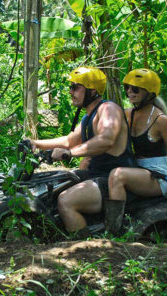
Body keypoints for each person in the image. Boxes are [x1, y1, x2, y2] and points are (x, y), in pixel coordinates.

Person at [30, 66, 136, 237]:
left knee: (65, 202)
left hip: (111, 180)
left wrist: (70, 153)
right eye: (70, 87)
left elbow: (106, 139)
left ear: (92, 90)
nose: (71, 91)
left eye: (75, 87)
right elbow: (68, 141)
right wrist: (35, 143)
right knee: (53, 183)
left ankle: (86, 248)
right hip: (97, 174)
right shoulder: (88, 116)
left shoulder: (108, 109)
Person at [107, 68, 167, 235]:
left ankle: (115, 233)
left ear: (149, 92)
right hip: (137, 169)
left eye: (135, 89)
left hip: (158, 174)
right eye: (127, 88)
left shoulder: (161, 120)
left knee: (117, 175)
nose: (129, 92)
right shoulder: (128, 114)